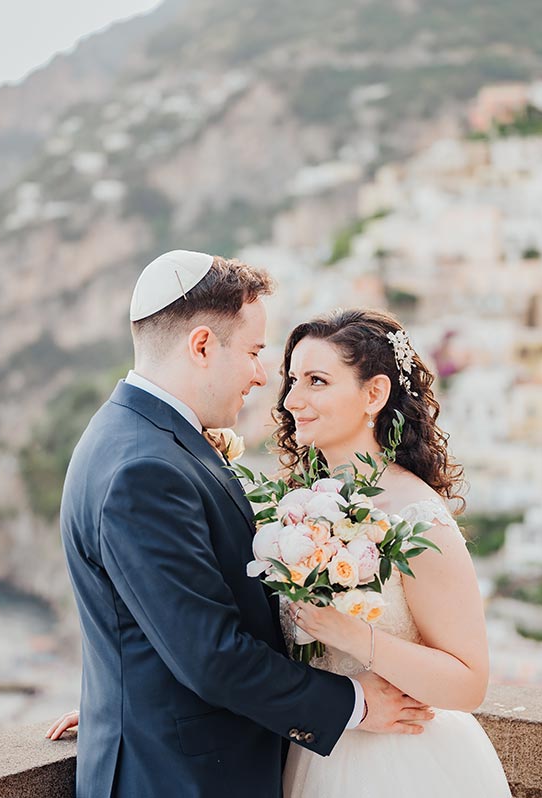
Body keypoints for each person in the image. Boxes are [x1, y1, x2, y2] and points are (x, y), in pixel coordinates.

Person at [48, 252, 431, 798]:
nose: (261, 375)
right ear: (202, 346)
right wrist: (356, 702)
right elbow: (212, 656)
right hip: (183, 781)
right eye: (253, 351)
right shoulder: (145, 467)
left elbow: (158, 618)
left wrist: (124, 696)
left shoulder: (134, 436)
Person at [276, 307, 512, 797]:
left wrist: (352, 635)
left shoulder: (417, 515)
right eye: (292, 380)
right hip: (315, 750)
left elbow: (469, 684)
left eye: (316, 381)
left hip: (402, 764)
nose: (293, 399)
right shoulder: (296, 507)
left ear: (374, 394)